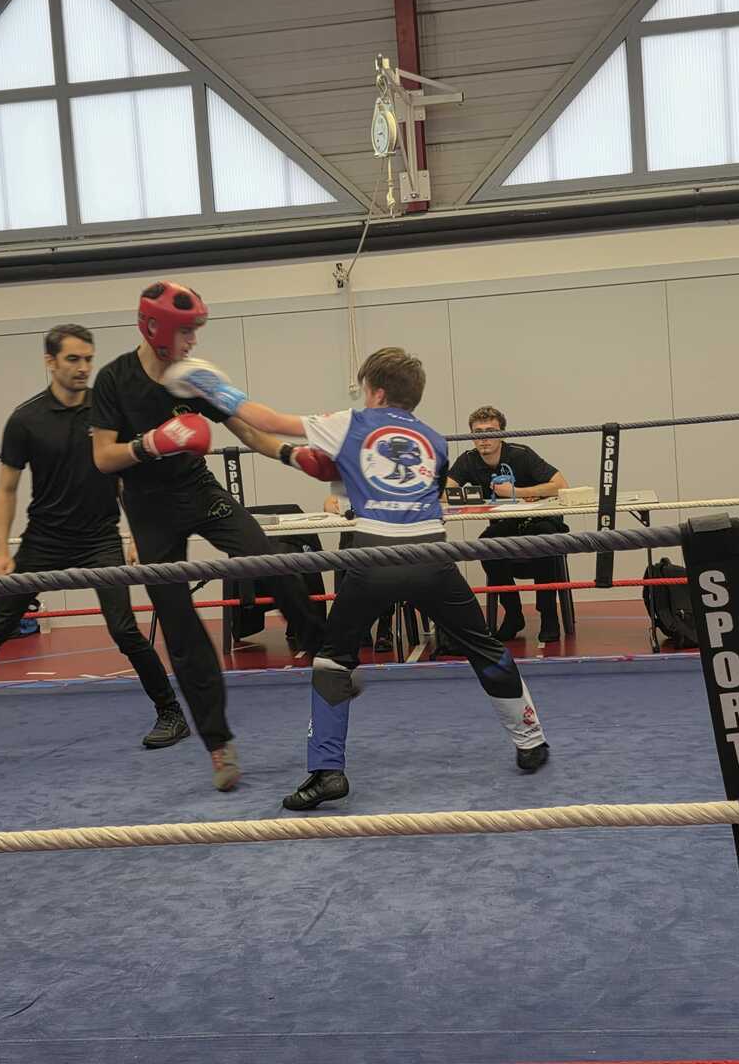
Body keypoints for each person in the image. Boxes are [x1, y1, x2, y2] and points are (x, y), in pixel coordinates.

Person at [160, 347, 550, 810]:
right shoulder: (435, 441)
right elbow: (323, 463)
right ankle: (531, 740)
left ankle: (327, 771)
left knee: (332, 661)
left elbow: (267, 421)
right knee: (483, 646)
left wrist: (211, 389)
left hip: (374, 558)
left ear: (376, 392)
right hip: (433, 556)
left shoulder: (353, 422)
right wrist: (263, 438)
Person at [0, 325, 189, 756]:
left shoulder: (106, 411)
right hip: (44, 540)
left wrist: (135, 535)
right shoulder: (26, 419)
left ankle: (171, 713)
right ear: (50, 362)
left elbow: (125, 479)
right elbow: (6, 489)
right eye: (73, 359)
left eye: (88, 359)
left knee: (123, 629)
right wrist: (1, 551)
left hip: (99, 538)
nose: (83, 368)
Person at [90, 280, 325, 792]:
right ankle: (218, 744)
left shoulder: (195, 377)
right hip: (149, 510)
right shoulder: (113, 380)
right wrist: (152, 444)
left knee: (268, 557)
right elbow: (103, 457)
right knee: (180, 627)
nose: (194, 341)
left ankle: (323, 654)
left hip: (198, 491)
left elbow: (245, 428)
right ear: (157, 330)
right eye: (186, 332)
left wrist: (291, 455)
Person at [447, 406, 569, 644]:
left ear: (502, 433)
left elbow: (561, 485)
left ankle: (548, 615)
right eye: (478, 433)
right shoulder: (468, 460)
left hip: (540, 521)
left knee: (543, 541)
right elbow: (443, 491)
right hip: (507, 524)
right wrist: (465, 497)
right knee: (486, 545)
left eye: (490, 431)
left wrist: (517, 492)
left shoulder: (521, 454)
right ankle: (513, 615)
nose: (484, 438)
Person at [323, 493, 394, 653]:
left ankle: (384, 627)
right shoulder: (350, 483)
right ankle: (360, 627)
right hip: (353, 542)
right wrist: (336, 507)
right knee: (345, 559)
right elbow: (330, 502)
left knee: (384, 565)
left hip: (383, 538)